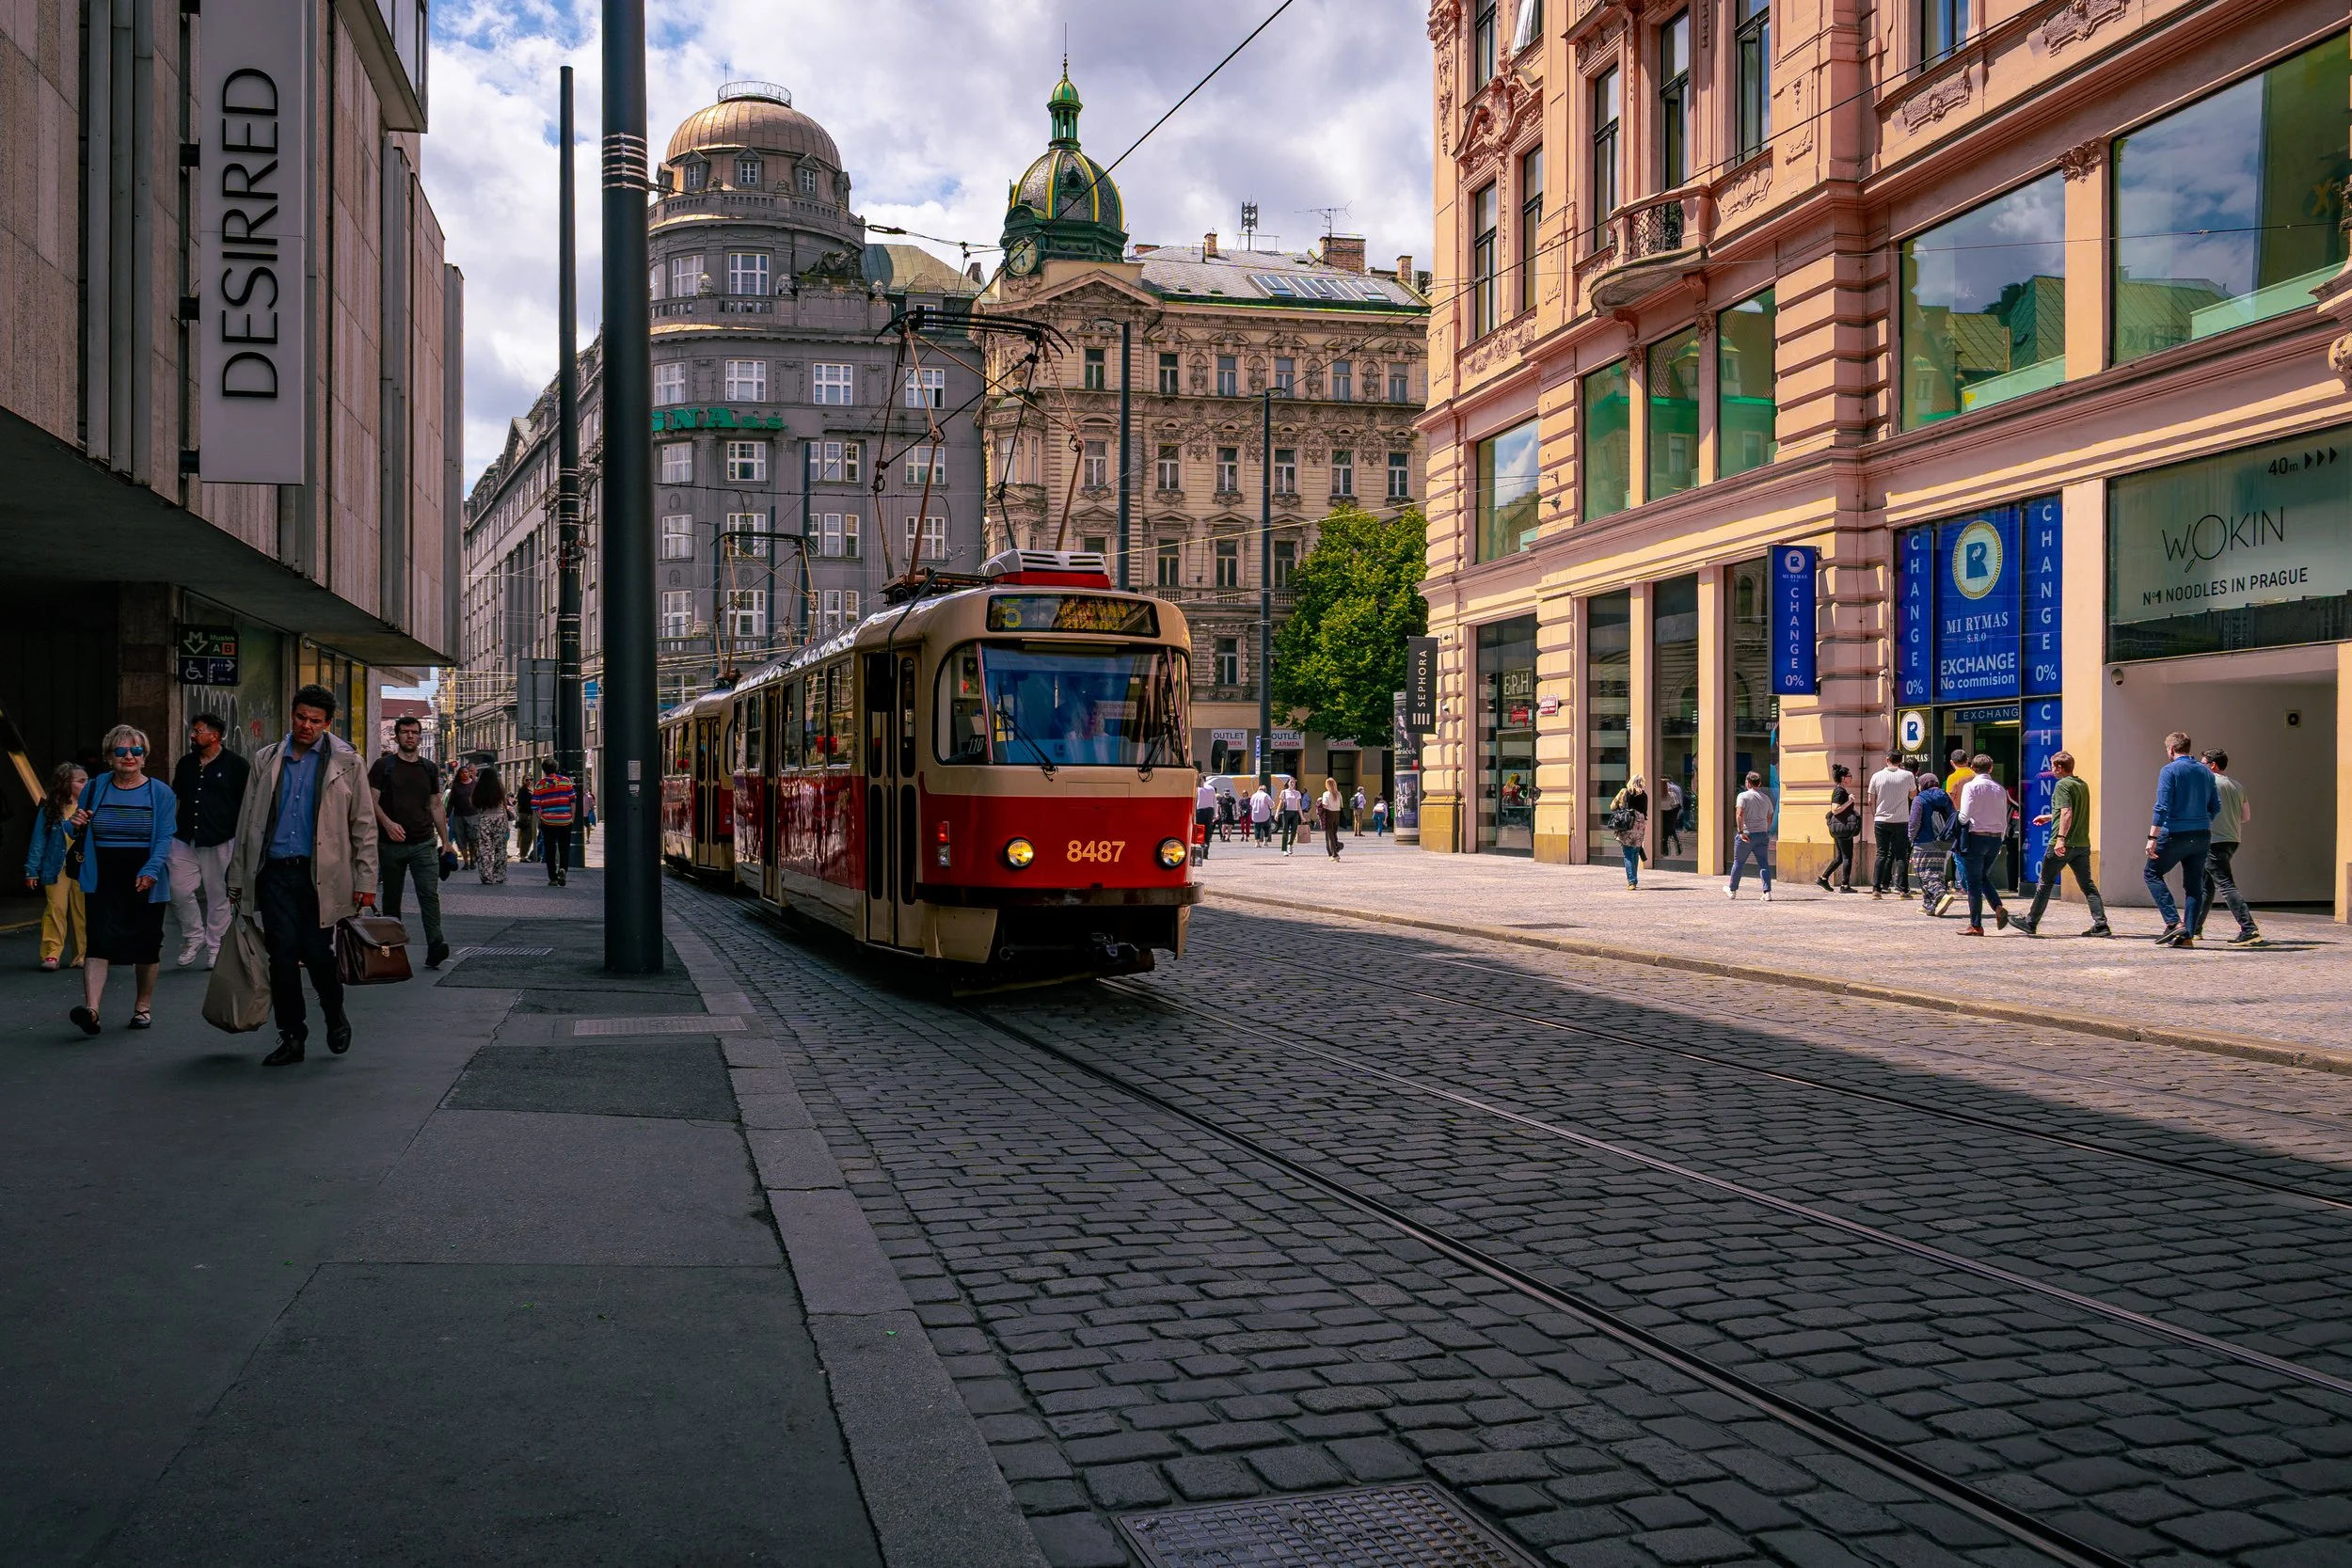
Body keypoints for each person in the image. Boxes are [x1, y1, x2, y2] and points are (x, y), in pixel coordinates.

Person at [228, 685, 378, 1065]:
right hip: (274, 872)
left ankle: (334, 1013)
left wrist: (366, 881)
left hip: (321, 876)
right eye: (300, 717)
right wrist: (237, 876)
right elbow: (247, 822)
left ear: (327, 723)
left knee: (316, 953)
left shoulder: (347, 762)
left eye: (315, 720)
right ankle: (292, 1036)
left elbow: (363, 825)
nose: (306, 725)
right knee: (281, 958)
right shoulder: (267, 759)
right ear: (291, 715)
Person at [67, 725, 176, 1035]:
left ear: (145, 756)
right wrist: (75, 823)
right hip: (103, 873)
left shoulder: (161, 792)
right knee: (98, 940)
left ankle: (142, 1007)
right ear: (109, 757)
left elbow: (165, 836)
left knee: (147, 944)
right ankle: (91, 1011)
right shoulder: (95, 788)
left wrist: (151, 870)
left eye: (136, 750)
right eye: (121, 751)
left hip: (145, 874)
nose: (129, 756)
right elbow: (76, 828)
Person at [167, 713, 250, 968]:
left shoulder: (237, 765)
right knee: (178, 889)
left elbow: (247, 804)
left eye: (197, 731)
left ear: (214, 736)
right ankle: (194, 937)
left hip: (221, 839)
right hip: (184, 837)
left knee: (219, 896)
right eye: (192, 731)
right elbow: (176, 798)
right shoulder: (186, 763)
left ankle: (216, 947)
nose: (192, 735)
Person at [371, 715, 451, 967]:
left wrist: (446, 840)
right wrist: (388, 823)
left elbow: (435, 805)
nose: (410, 736)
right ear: (397, 736)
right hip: (390, 845)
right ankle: (391, 951)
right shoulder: (383, 766)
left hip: (423, 842)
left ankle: (436, 944)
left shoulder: (429, 768)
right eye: (405, 732)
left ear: (419, 736)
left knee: (429, 895)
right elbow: (371, 801)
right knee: (391, 899)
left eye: (414, 732)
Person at [2018, 751, 2107, 938]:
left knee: (2045, 883)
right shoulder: (2082, 784)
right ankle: (2101, 924)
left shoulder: (2062, 785)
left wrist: (2060, 839)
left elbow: (2067, 812)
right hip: (2081, 844)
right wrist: (2049, 817)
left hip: (2063, 844)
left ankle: (2030, 922)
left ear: (2060, 767)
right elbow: (2072, 812)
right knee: (2087, 884)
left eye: (2053, 766)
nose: (2051, 770)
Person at [2144, 730, 2218, 948]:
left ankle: (2173, 922)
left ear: (2171, 749)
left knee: (2151, 873)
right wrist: (2202, 820)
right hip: (2202, 834)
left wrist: (2152, 837)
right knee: (2194, 886)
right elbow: (2216, 805)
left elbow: (2161, 806)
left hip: (2175, 833)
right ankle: (2187, 937)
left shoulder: (2169, 770)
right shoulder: (2206, 772)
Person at [2192, 749, 2263, 947]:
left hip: (2213, 840)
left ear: (2212, 765)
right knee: (2206, 885)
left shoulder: (2208, 782)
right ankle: (2194, 928)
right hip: (2232, 839)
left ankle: (2248, 929)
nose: (2200, 767)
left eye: (2203, 763)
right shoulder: (2237, 786)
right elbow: (2246, 817)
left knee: (2225, 884)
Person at [22, 762, 87, 972]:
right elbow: (38, 840)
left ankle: (82, 954)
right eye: (81, 781)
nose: (86, 785)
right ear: (67, 783)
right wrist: (32, 870)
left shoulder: (90, 807)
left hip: (82, 866)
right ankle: (52, 953)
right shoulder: (50, 809)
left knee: (83, 912)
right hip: (56, 866)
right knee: (55, 908)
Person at [1954, 753, 2014, 935]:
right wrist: (2000, 838)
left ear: (1972, 768)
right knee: (1982, 876)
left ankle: (1976, 924)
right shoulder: (1999, 789)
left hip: (1976, 838)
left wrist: (1956, 819)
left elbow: (1964, 816)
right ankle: (1997, 907)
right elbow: (2003, 817)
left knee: (1973, 882)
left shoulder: (1970, 787)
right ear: (1991, 768)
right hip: (1995, 839)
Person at [1909, 769, 1959, 916]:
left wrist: (1911, 838)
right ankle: (1929, 905)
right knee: (1937, 872)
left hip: (1924, 841)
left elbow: (1914, 822)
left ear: (1923, 784)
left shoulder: (1920, 799)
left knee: (1923, 873)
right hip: (1943, 841)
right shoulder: (1946, 797)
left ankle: (1941, 895)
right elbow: (1953, 817)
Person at [1867, 752, 1916, 899]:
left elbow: (1870, 800)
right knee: (1901, 855)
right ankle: (1903, 889)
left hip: (1881, 819)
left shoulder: (1876, 776)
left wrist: (1875, 815)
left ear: (1887, 759)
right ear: (1900, 761)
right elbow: (1913, 795)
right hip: (1901, 820)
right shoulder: (1908, 776)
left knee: (1881, 854)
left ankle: (1876, 889)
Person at [1726, 771, 1774, 900]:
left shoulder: (1742, 796)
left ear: (1747, 783)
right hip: (1762, 834)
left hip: (1747, 834)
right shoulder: (1766, 798)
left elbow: (1739, 814)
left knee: (1738, 863)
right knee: (1763, 863)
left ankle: (1732, 890)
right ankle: (1767, 892)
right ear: (1759, 783)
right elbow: (1770, 815)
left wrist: (1740, 832)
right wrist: (1765, 828)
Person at [531, 758, 580, 886]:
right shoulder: (566, 781)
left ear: (543, 770)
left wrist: (541, 818)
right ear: (556, 768)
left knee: (550, 849)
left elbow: (535, 805)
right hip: (565, 820)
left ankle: (553, 877)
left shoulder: (540, 785)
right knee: (564, 848)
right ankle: (563, 869)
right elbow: (573, 800)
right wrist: (572, 817)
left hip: (548, 822)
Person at [1820, 774, 1861, 893]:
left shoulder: (1840, 790)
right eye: (1849, 776)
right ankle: (1845, 885)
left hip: (1839, 827)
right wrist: (1849, 801)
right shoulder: (1839, 791)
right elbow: (1835, 809)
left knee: (1840, 857)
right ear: (1843, 778)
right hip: (1843, 827)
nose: (1851, 778)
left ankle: (1823, 878)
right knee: (1847, 857)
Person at [472, 768, 513, 883]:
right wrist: (507, 825)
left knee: (485, 848)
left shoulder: (479, 789)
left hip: (484, 819)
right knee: (500, 848)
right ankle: (499, 875)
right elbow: (504, 807)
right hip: (500, 819)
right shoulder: (500, 789)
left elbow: (476, 805)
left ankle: (487, 875)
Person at [1610, 775, 1649, 888]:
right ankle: (1633, 879)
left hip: (1627, 824)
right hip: (1640, 824)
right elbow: (1645, 811)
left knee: (1627, 853)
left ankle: (1632, 881)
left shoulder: (1625, 792)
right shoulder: (1644, 795)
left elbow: (1613, 806)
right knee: (1635, 853)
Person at [446, 764, 480, 867]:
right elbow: (451, 802)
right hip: (459, 816)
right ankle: (466, 862)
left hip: (473, 815)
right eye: (462, 772)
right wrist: (447, 815)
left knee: (473, 838)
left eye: (466, 772)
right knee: (460, 839)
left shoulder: (475, 784)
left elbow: (481, 798)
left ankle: (472, 858)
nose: (465, 774)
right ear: (459, 774)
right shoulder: (456, 786)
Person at [1318, 778, 1348, 860]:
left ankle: (1335, 854)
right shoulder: (1338, 794)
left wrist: (1319, 802)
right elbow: (1341, 805)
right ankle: (1336, 848)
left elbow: (1325, 805)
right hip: (1337, 814)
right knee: (1334, 833)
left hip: (1329, 814)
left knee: (1330, 834)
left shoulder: (1326, 794)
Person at [1195, 773, 1219, 862]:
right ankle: (1205, 852)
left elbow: (1195, 801)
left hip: (1200, 810)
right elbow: (1214, 802)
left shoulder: (1197, 788)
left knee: (1200, 830)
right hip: (1210, 810)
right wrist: (1216, 813)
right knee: (1207, 831)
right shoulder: (1211, 788)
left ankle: (1202, 846)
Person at [514, 779, 539, 864]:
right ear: (523, 781)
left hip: (528, 814)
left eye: (531, 779)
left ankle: (524, 854)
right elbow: (523, 803)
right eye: (527, 780)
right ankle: (523, 856)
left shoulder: (529, 791)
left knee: (528, 835)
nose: (529, 781)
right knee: (526, 835)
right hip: (526, 815)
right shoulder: (523, 791)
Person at [1278, 778, 1304, 856]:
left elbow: (1299, 806)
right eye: (1291, 782)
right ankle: (1284, 849)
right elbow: (1280, 803)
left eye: (1294, 782)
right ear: (1288, 783)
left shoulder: (1297, 793)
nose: (1292, 783)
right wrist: (1277, 813)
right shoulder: (1284, 792)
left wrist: (1302, 816)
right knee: (1285, 831)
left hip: (1295, 813)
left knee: (1294, 830)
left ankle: (1290, 844)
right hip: (1286, 812)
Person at [1661, 778, 1685, 858]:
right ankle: (1677, 842)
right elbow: (1677, 805)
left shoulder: (1658, 795)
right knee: (1672, 830)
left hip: (1662, 816)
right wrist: (1674, 814)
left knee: (1664, 835)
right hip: (1670, 814)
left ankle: (1665, 851)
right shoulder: (1671, 794)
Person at [1249, 781, 1273, 846]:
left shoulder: (1254, 795)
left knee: (1257, 829)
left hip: (1256, 815)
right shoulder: (1265, 795)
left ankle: (1257, 843)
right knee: (1266, 828)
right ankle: (1265, 841)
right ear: (1265, 790)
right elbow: (1271, 804)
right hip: (1265, 814)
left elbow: (1251, 804)